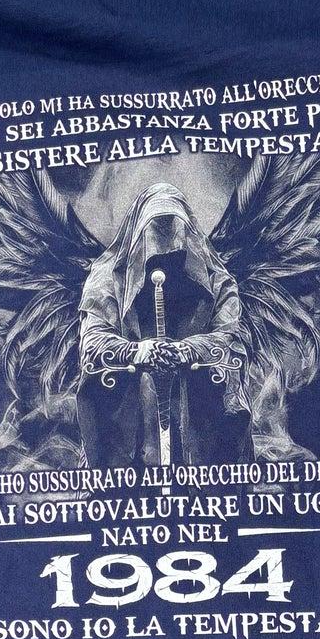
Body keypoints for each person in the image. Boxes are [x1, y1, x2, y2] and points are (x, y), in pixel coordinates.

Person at [75, 180, 253, 466]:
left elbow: (232, 339)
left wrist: (188, 351)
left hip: (200, 426)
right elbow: (93, 343)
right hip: (131, 429)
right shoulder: (107, 279)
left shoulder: (218, 281)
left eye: (175, 236)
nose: (166, 250)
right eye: (156, 235)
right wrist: (138, 351)